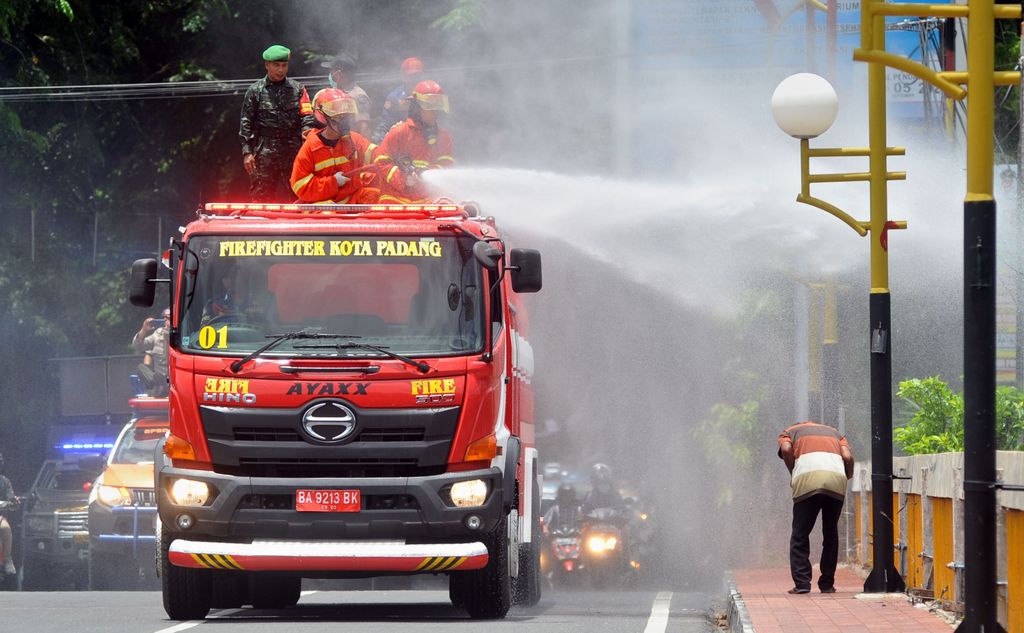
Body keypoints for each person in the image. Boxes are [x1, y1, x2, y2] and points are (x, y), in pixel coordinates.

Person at [777, 420, 854, 594]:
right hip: (836, 481)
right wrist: (846, 477)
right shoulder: (836, 433)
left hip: (807, 481)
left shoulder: (788, 432)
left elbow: (787, 449)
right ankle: (827, 584)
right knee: (830, 533)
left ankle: (802, 584)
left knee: (800, 534)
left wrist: (794, 471)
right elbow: (847, 457)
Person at [239, 44, 315, 202]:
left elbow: (307, 114)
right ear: (267, 65)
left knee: (299, 193)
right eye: (276, 65)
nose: (281, 70)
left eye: (284, 65)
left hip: (293, 150)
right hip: (265, 151)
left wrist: (306, 131)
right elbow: (246, 123)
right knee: (262, 196)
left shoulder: (298, 89)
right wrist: (247, 152)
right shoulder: (255, 91)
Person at [290, 88, 380, 204]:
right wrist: (333, 182)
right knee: (328, 216)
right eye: (338, 117)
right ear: (323, 116)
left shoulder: (353, 139)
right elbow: (300, 186)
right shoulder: (311, 148)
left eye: (346, 116)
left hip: (350, 198)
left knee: (377, 196)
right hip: (322, 204)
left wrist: (393, 146)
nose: (345, 121)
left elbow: (378, 155)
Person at [374, 80, 454, 204]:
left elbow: (446, 165)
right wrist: (402, 178)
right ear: (416, 107)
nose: (435, 112)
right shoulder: (399, 132)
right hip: (395, 199)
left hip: (427, 200)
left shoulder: (444, 137)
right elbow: (381, 161)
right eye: (430, 106)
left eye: (437, 106)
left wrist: (425, 174)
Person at [372, 56, 424, 142]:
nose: (414, 79)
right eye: (411, 76)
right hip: (402, 142)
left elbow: (440, 121)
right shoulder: (394, 98)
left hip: (425, 141)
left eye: (417, 76)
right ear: (403, 76)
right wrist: (380, 143)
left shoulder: (429, 94)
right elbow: (385, 125)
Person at [322, 53, 372, 138]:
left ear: (339, 73)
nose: (330, 74)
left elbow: (363, 127)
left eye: (332, 71)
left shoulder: (358, 96)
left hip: (350, 144)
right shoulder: (334, 93)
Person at [132, 308, 170, 396]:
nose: (166, 321)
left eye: (168, 318)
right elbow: (137, 346)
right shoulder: (157, 334)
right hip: (159, 380)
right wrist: (144, 329)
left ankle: (158, 385)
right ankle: (155, 386)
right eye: (163, 318)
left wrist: (170, 330)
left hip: (175, 380)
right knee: (141, 367)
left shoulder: (181, 332)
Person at [0, 451, 19, 575]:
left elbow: (10, 498)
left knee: (6, 528)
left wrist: (14, 502)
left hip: (0, 516)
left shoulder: (5, 481)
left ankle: (7, 559)